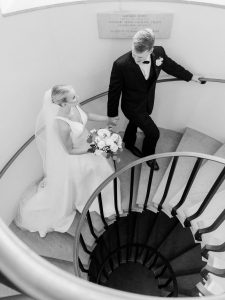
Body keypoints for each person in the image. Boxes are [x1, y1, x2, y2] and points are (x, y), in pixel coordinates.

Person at [15, 85, 121, 237]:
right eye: (73, 97)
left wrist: (108, 119)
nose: (77, 98)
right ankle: (98, 204)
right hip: (78, 154)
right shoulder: (62, 125)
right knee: (92, 177)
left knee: (103, 172)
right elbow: (69, 151)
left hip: (89, 143)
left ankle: (108, 203)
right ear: (63, 104)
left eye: (75, 95)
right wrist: (94, 148)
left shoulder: (75, 106)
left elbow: (87, 115)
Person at [107, 28, 205, 170]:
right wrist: (112, 115)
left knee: (134, 123)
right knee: (153, 133)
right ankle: (149, 156)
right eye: (134, 54)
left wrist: (190, 77)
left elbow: (172, 67)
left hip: (147, 101)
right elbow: (114, 91)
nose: (136, 59)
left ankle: (128, 142)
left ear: (151, 50)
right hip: (131, 106)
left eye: (140, 57)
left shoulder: (159, 53)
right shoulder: (120, 64)